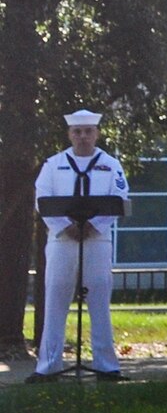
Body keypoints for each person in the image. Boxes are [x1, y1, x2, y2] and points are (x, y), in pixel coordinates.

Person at [30, 110, 129, 381]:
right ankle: (48, 366)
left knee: (99, 300)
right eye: (77, 132)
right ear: (69, 134)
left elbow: (119, 197)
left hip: (97, 239)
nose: (83, 136)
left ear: (96, 133)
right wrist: (66, 226)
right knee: (56, 299)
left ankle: (106, 366)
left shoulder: (110, 164)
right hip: (63, 240)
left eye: (88, 131)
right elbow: (43, 198)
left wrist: (94, 224)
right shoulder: (53, 164)